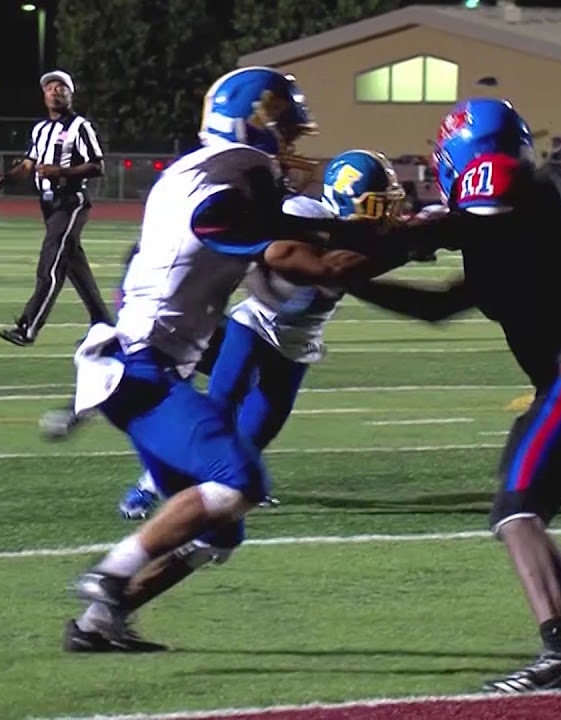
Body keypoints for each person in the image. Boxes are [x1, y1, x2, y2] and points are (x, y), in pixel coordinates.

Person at [62, 67, 421, 653]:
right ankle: (109, 575)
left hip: (150, 362)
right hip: (141, 368)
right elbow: (303, 258)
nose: (291, 148)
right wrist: (406, 242)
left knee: (219, 531)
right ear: (252, 123)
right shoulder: (224, 188)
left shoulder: (209, 173)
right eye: (284, 131)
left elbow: (289, 230)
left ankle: (101, 621)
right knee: (240, 479)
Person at [343, 97, 561, 692]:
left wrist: (384, 240)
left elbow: (448, 226)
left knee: (516, 510)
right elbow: (440, 304)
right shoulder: (528, 217)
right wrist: (353, 281)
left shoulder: (500, 177)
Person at [115, 149, 408, 521]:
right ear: (347, 199)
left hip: (299, 341)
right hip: (255, 322)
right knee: (216, 411)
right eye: (378, 205)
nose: (387, 215)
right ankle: (149, 485)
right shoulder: (305, 216)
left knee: (262, 427)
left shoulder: (371, 236)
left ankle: (228, 486)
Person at [0, 70, 112, 347]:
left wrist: (62, 171)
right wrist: (7, 178)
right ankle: (104, 324)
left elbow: (97, 166)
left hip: (71, 200)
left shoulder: (80, 126)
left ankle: (28, 326)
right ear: (44, 95)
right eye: (49, 88)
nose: (55, 92)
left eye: (61, 87)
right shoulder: (40, 129)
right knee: (74, 265)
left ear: (71, 94)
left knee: (51, 263)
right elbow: (28, 164)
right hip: (48, 203)